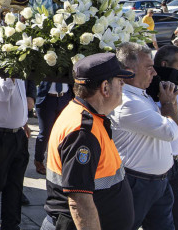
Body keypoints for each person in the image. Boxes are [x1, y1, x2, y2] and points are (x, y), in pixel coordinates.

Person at [41, 53, 134, 230]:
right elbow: (79, 201)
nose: (123, 84)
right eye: (119, 80)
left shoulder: (87, 116)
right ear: (105, 87)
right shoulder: (82, 131)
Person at [109, 43, 178, 230]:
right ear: (128, 72)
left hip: (159, 182)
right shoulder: (127, 102)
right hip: (137, 184)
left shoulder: (141, 95)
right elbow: (171, 132)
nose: (155, 73)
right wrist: (168, 104)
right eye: (149, 68)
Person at [148, 45, 178, 230]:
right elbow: (167, 122)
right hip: (160, 165)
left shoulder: (172, 88)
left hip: (173, 164)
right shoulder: (156, 89)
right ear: (165, 65)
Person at [0, 72, 34, 230]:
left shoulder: (18, 64)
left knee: (15, 186)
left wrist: (23, 121)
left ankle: (11, 225)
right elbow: (1, 96)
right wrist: (10, 75)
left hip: (17, 135)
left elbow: (19, 97)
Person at [34, 76, 73, 175]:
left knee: (63, 133)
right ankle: (38, 160)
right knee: (45, 133)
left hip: (64, 98)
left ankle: (58, 162)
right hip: (47, 99)